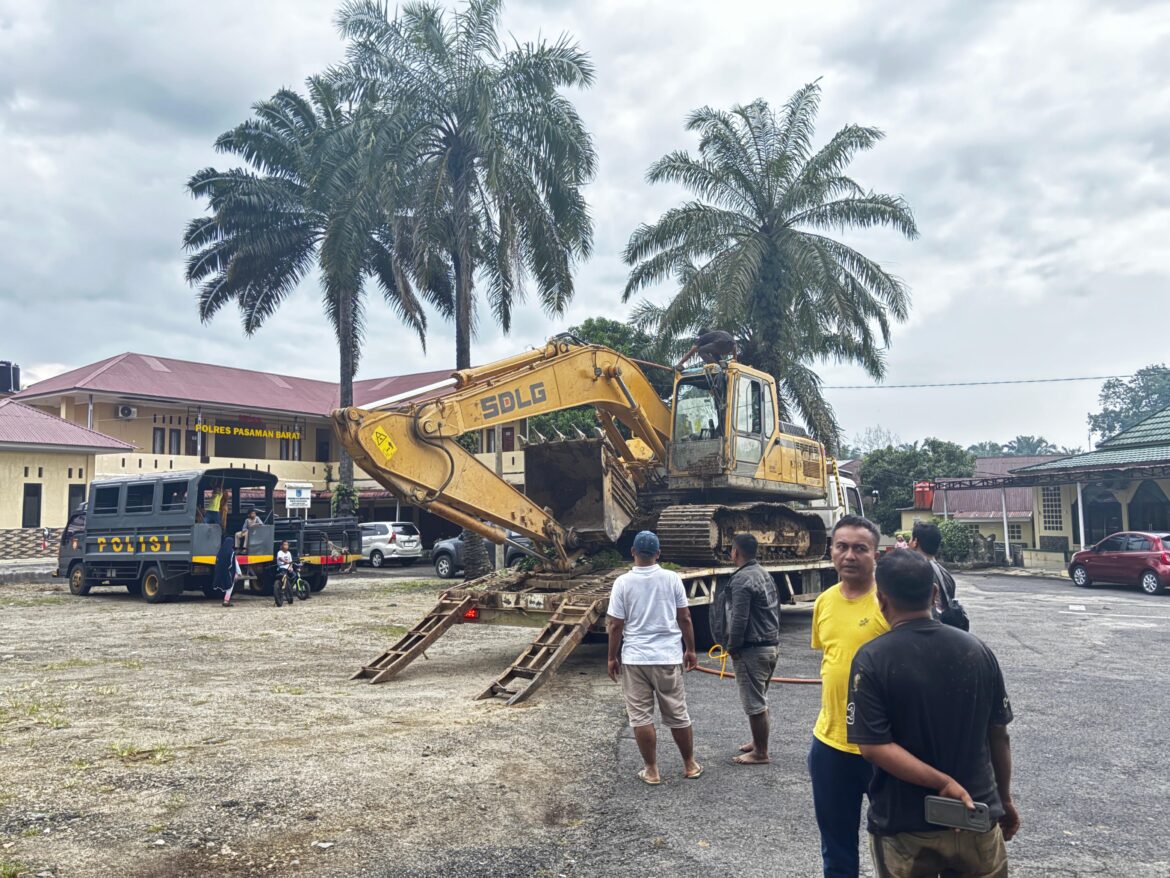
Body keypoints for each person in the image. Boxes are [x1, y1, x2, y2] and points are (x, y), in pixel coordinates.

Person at [847, 549, 1018, 877]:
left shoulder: (872, 659)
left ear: (881, 600)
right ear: (935, 593)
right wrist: (1004, 799)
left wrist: (942, 784)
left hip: (905, 826)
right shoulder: (978, 650)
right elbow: (999, 734)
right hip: (977, 815)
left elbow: (873, 746)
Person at [809, 514, 891, 878]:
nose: (850, 555)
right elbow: (830, 659)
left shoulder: (890, 604)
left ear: (876, 555)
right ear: (831, 551)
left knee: (895, 843)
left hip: (886, 745)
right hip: (830, 744)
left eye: (861, 548)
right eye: (842, 546)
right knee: (836, 847)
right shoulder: (824, 602)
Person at [607, 530, 702, 785]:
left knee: (641, 716)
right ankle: (689, 764)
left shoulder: (622, 583)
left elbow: (616, 625)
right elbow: (685, 618)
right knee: (677, 713)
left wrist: (611, 657)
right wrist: (690, 649)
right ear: (658, 554)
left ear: (633, 552)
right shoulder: (672, 579)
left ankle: (651, 770)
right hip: (667, 656)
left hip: (635, 658)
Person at [710, 532, 779, 765]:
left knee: (754, 703)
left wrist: (732, 646)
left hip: (752, 649)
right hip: (770, 646)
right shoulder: (762, 574)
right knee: (760, 698)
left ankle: (761, 752)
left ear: (735, 552)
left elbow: (739, 618)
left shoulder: (741, 580)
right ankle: (757, 742)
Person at [910, 521, 969, 630]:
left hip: (926, 631)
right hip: (945, 631)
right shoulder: (945, 573)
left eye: (910, 539)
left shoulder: (918, 571)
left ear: (915, 542)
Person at [213, 534, 237, 608]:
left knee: (224, 584)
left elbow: (216, 561)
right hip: (227, 571)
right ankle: (226, 601)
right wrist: (235, 572)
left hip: (219, 571)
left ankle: (226, 600)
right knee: (230, 585)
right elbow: (232, 563)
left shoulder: (220, 551)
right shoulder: (231, 552)